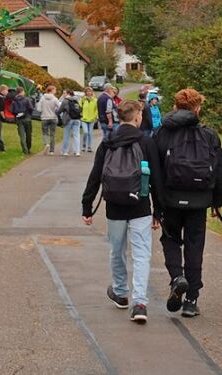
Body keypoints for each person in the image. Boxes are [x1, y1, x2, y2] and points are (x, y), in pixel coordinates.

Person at [82, 100, 161, 324]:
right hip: (140, 206)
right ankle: (140, 303)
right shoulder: (146, 142)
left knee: (117, 250)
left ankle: (120, 292)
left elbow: (95, 175)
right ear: (136, 117)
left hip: (114, 206)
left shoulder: (108, 142)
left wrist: (87, 206)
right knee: (141, 254)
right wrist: (159, 210)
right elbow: (156, 178)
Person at [151, 88, 222, 318]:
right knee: (195, 245)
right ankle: (191, 299)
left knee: (170, 239)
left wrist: (157, 202)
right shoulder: (210, 135)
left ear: (175, 106)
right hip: (199, 199)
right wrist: (216, 202)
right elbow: (219, 171)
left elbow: (155, 170)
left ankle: (176, 278)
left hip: (170, 198)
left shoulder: (162, 133)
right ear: (197, 108)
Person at [37, 84, 60, 154]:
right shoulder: (55, 99)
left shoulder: (42, 98)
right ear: (52, 90)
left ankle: (46, 143)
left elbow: (39, 109)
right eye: (55, 90)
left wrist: (44, 110)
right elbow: (59, 107)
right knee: (52, 134)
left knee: (45, 133)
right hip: (53, 117)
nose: (55, 91)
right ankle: (52, 151)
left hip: (44, 118)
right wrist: (55, 110)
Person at [12, 89, 35, 154]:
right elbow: (31, 108)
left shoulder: (14, 101)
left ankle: (25, 150)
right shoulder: (27, 99)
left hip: (19, 120)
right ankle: (28, 148)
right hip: (27, 118)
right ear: (22, 92)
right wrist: (29, 115)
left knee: (22, 135)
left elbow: (12, 110)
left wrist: (16, 116)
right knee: (28, 135)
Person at [60, 89, 82, 156]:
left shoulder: (65, 101)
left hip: (68, 119)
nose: (63, 94)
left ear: (68, 93)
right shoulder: (76, 100)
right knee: (76, 135)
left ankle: (65, 151)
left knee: (66, 135)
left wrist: (56, 112)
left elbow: (60, 110)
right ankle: (77, 151)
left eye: (64, 93)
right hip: (77, 119)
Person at [80, 86, 99, 153]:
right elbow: (79, 108)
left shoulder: (95, 100)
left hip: (92, 119)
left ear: (92, 92)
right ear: (85, 92)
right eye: (87, 91)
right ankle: (84, 145)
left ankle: (89, 147)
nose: (89, 92)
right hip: (84, 119)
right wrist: (80, 114)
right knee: (85, 132)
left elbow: (96, 110)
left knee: (90, 133)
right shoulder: (82, 100)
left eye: (90, 91)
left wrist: (95, 117)